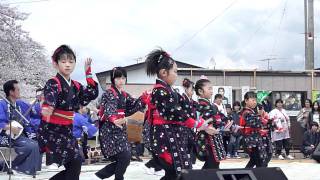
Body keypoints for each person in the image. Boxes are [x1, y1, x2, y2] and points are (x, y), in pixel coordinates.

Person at [144, 49, 213, 180]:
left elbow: (186, 106)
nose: (176, 75)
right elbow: (174, 111)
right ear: (164, 73)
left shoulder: (171, 90)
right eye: (175, 71)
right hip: (164, 136)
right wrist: (194, 123)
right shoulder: (159, 91)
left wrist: (199, 118)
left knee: (178, 172)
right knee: (176, 171)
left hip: (174, 135)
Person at [38, 45, 99, 180]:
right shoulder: (53, 82)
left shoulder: (76, 85)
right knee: (75, 162)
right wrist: (48, 106)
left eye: (71, 62)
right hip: (53, 130)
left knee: (76, 163)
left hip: (67, 130)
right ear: (56, 63)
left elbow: (91, 94)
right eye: (63, 61)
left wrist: (88, 74)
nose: (67, 65)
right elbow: (50, 96)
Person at [95, 67, 146, 180]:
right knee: (124, 156)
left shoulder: (125, 95)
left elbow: (133, 106)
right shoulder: (109, 93)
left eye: (123, 78)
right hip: (109, 130)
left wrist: (143, 98)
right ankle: (113, 177)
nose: (121, 81)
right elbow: (110, 109)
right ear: (113, 79)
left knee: (126, 157)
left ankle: (101, 175)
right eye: (118, 78)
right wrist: (114, 119)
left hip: (121, 129)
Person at [0, 80, 41, 176]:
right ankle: (17, 167)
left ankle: (28, 168)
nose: (19, 91)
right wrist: (9, 127)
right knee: (31, 146)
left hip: (18, 136)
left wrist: (42, 100)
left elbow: (33, 109)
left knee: (37, 144)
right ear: (11, 92)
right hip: (5, 137)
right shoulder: (2, 104)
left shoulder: (19, 103)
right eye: (18, 89)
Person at [195, 78, 226, 169]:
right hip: (207, 138)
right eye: (209, 89)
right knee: (212, 163)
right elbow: (203, 119)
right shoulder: (201, 104)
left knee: (214, 163)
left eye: (212, 89)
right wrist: (218, 120)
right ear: (200, 91)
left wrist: (224, 120)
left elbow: (217, 117)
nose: (211, 91)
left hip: (212, 136)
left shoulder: (209, 104)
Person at [240, 92, 267, 168]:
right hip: (251, 140)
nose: (255, 102)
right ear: (246, 101)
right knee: (257, 161)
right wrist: (260, 116)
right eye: (253, 100)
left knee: (255, 161)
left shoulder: (250, 112)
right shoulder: (247, 112)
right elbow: (256, 124)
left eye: (255, 100)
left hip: (254, 139)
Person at [181, 78, 198, 165]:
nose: (193, 92)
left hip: (191, 126)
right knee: (186, 146)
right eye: (191, 89)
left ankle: (190, 163)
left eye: (193, 90)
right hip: (184, 127)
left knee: (191, 145)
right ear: (186, 89)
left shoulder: (191, 101)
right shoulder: (182, 99)